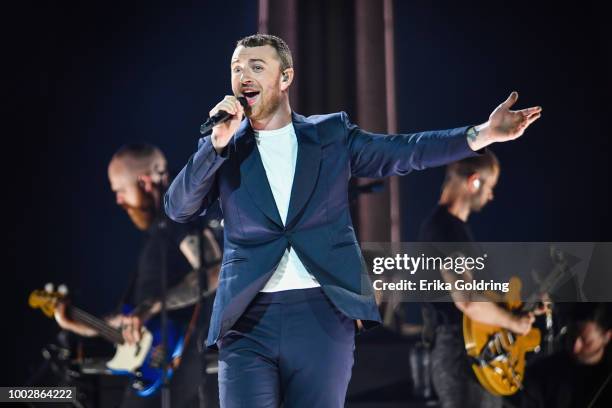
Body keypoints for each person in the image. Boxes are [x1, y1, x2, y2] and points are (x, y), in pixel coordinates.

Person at [164, 33, 542, 407]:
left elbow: (405, 152)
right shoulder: (223, 148)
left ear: (285, 78)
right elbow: (179, 207)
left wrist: (482, 134)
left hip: (321, 316)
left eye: (256, 66)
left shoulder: (330, 135)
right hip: (247, 321)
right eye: (236, 68)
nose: (243, 75)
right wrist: (214, 147)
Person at [54, 143, 222, 408]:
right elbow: (134, 321)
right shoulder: (161, 229)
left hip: (180, 359)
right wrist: (76, 322)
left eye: (121, 190)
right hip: (156, 361)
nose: (119, 200)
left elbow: (217, 272)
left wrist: (151, 306)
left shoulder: (178, 213)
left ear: (144, 182)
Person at [418, 152, 540, 408]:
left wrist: (520, 308)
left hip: (475, 352)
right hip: (461, 356)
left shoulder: (457, 231)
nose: (491, 196)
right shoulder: (444, 230)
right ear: (474, 182)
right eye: (490, 187)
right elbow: (468, 301)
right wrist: (513, 323)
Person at [521, 303, 612, 408]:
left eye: (586, 341)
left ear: (607, 337)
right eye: (573, 335)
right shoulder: (543, 370)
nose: (575, 347)